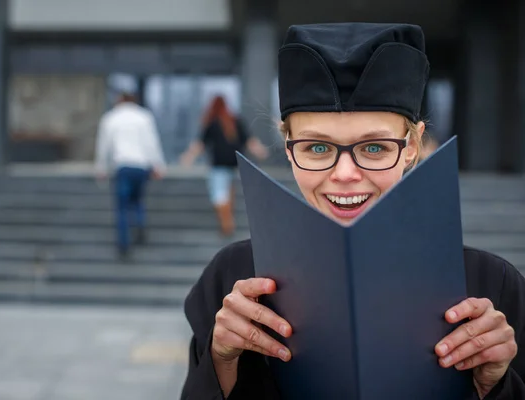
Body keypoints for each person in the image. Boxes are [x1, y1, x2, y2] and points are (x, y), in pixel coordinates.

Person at [180, 23, 525, 399]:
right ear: (288, 147)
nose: (345, 175)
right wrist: (221, 359)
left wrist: (494, 383)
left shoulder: (493, 286)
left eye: (374, 148)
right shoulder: (231, 277)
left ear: (411, 147)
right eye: (317, 148)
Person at [180, 96, 269, 236]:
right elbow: (249, 141)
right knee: (227, 195)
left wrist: (188, 157)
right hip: (235, 164)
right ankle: (227, 222)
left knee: (219, 195)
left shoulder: (212, 122)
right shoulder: (235, 120)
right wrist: (262, 152)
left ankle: (227, 224)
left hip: (219, 165)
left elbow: (200, 144)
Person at [95, 92, 166, 257]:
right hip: (141, 166)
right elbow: (151, 142)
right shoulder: (144, 117)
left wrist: (101, 167)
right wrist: (158, 165)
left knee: (122, 206)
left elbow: (104, 145)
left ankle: (124, 244)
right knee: (137, 199)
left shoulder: (111, 118)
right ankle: (139, 224)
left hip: (122, 166)